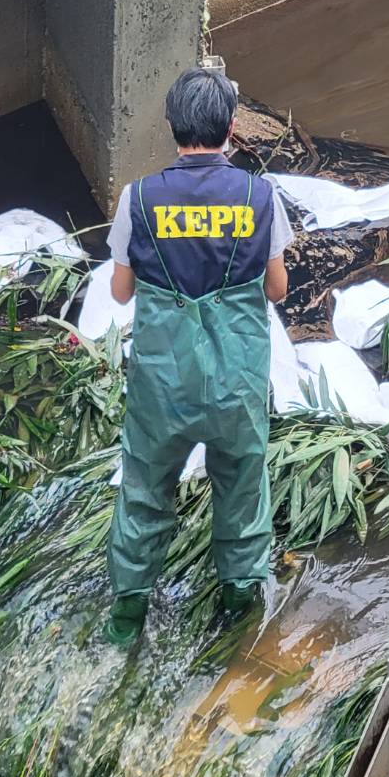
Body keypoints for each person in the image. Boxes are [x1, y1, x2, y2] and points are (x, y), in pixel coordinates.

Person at [101, 67, 293, 647]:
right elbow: (277, 289)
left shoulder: (138, 199)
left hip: (163, 386)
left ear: (172, 127)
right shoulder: (261, 196)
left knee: (144, 491)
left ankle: (127, 619)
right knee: (240, 488)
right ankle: (238, 617)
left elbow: (120, 292)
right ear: (232, 127)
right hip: (235, 383)